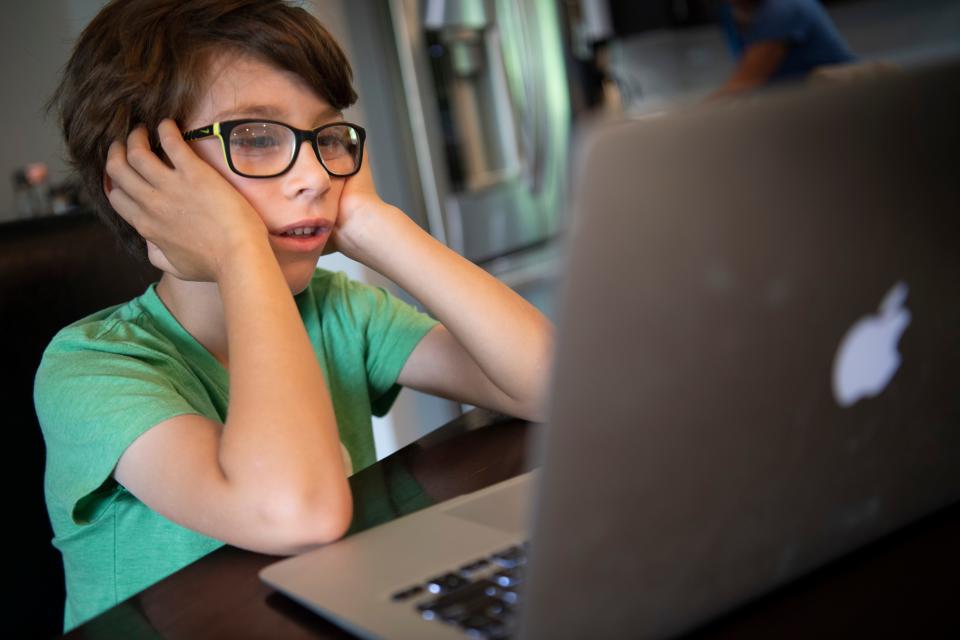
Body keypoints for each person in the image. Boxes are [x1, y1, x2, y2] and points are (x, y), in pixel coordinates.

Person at [35, 0, 553, 632]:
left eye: (328, 137)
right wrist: (236, 247)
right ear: (144, 176)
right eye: (255, 137)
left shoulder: (337, 309)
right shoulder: (90, 369)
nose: (314, 175)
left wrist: (372, 223)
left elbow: (560, 388)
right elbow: (297, 512)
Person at [712, 0, 857, 97]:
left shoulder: (783, 8)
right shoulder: (737, 15)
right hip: (808, 99)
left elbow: (745, 83)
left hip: (843, 98)